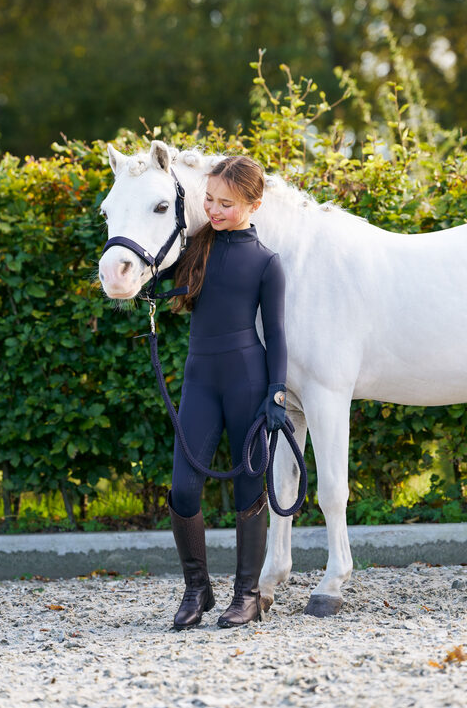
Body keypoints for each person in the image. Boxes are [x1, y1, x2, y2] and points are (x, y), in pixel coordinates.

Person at [166, 155, 287, 630]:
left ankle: (247, 595)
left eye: (226, 204)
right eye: (210, 200)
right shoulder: (196, 246)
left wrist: (276, 393)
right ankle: (197, 588)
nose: (214, 210)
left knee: (249, 484)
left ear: (254, 204)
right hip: (200, 377)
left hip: (247, 378)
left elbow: (276, 334)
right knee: (183, 486)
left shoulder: (266, 263)